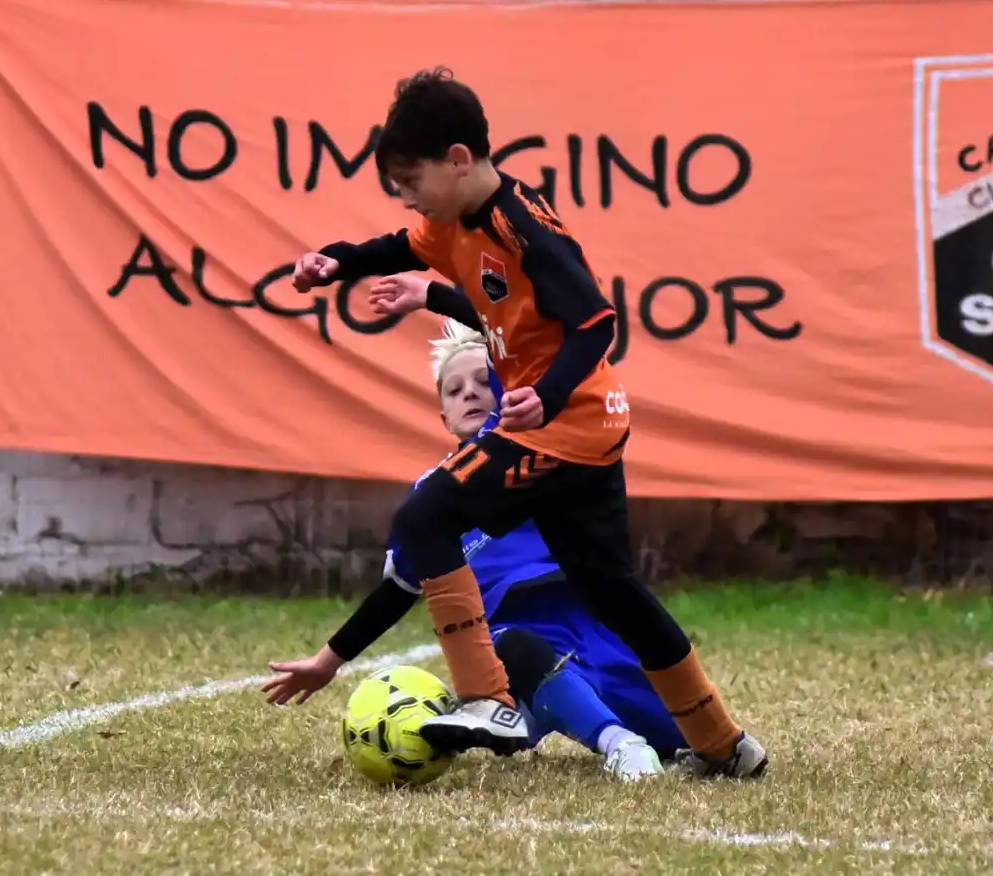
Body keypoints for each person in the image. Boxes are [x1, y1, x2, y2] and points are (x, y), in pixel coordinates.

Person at [274, 67, 766, 779]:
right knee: (614, 591)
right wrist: (338, 262)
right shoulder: (454, 224)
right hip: (589, 428)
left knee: (424, 518)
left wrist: (548, 392)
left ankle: (487, 697)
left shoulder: (523, 228)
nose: (405, 199)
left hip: (560, 425)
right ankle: (724, 743)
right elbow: (401, 248)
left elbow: (597, 323)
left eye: (410, 181)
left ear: (458, 160)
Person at [263, 317, 685, 781]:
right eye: (454, 389)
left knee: (684, 744)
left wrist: (475, 314)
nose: (469, 393)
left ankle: (534, 716)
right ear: (441, 414)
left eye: (484, 381)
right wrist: (326, 663)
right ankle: (614, 743)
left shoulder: (533, 451)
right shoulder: (430, 497)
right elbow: (399, 588)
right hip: (511, 645)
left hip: (591, 621)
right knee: (510, 648)